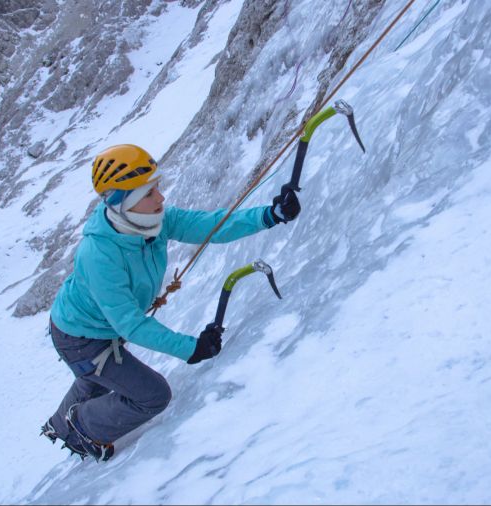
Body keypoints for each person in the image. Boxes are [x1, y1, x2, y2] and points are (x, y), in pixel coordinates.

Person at [41, 144, 300, 461]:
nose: (161, 198)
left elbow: (209, 226)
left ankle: (60, 421)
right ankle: (80, 428)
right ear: (125, 204)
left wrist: (269, 215)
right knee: (153, 395)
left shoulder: (151, 220)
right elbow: (132, 324)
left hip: (96, 327)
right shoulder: (100, 255)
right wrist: (192, 349)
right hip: (80, 339)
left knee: (101, 376)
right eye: (149, 193)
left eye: (156, 189)